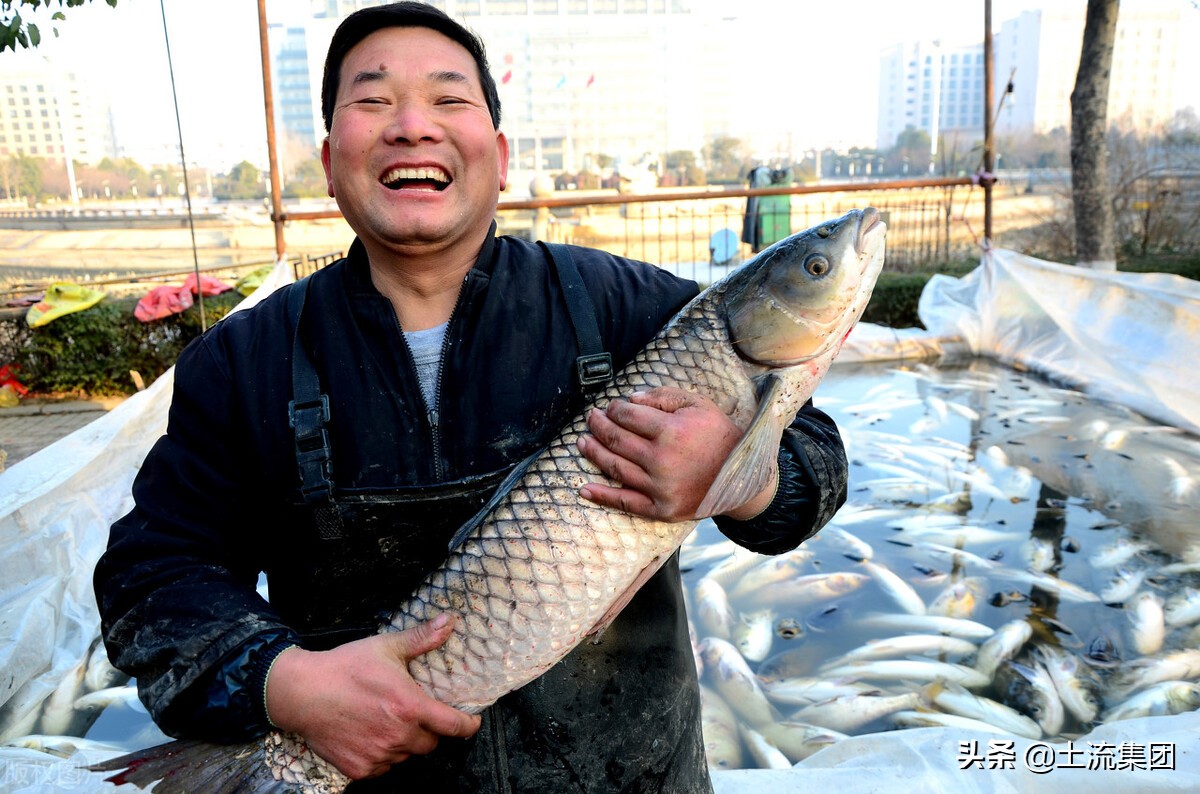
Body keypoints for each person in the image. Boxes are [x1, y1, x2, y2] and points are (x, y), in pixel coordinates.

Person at [94, 3, 848, 791]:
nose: (412, 126)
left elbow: (816, 458)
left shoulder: (629, 308)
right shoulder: (243, 361)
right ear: (328, 161)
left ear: (500, 153)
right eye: (374, 100)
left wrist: (742, 476)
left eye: (449, 99)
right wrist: (285, 684)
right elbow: (153, 573)